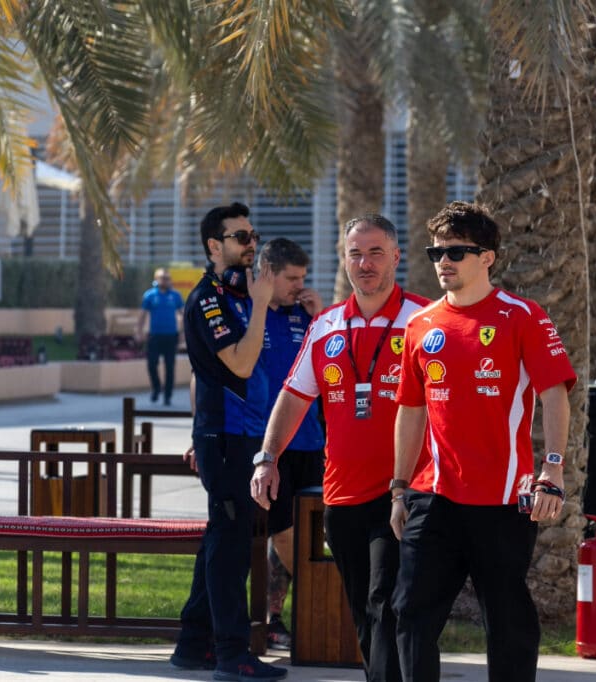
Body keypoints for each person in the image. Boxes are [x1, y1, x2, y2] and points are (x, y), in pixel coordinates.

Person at [389, 201, 576, 682]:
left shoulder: (523, 316)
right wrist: (399, 487)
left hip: (502, 498)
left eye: (456, 251)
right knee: (409, 612)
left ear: (487, 257)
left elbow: (555, 395)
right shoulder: (420, 325)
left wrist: (552, 471)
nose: (443, 261)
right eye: (436, 252)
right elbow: (411, 411)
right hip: (433, 496)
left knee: (507, 620)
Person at [250, 214, 429, 682]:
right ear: (343, 259)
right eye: (355, 253)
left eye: (375, 252)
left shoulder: (425, 320)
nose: (365, 263)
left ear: (396, 256)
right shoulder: (326, 325)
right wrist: (267, 458)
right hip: (342, 494)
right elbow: (293, 396)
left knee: (385, 599)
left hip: (404, 492)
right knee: (364, 609)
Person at [170, 202, 286, 681]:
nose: (251, 244)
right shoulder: (208, 299)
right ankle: (231, 652)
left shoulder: (237, 293)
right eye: (241, 237)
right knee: (231, 544)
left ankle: (192, 645)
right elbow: (238, 363)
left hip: (246, 435)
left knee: (222, 540)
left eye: (253, 234)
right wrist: (260, 303)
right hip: (224, 437)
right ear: (215, 246)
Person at [256, 238, 325, 650]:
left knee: (308, 531)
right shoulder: (249, 314)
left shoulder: (307, 315)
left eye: (303, 277)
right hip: (268, 444)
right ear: (268, 274)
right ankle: (319, 599)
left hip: (311, 442)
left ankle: (281, 618)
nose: (299, 285)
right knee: (282, 532)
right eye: (291, 278)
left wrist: (320, 316)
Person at [136, 268, 184, 405]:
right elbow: (142, 315)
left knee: (170, 367)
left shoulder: (175, 295)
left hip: (171, 336)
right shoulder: (150, 295)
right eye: (163, 278)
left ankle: (167, 395)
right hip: (155, 336)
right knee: (151, 364)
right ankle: (156, 388)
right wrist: (138, 331)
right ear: (156, 279)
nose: (166, 280)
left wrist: (183, 333)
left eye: (168, 278)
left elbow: (183, 314)